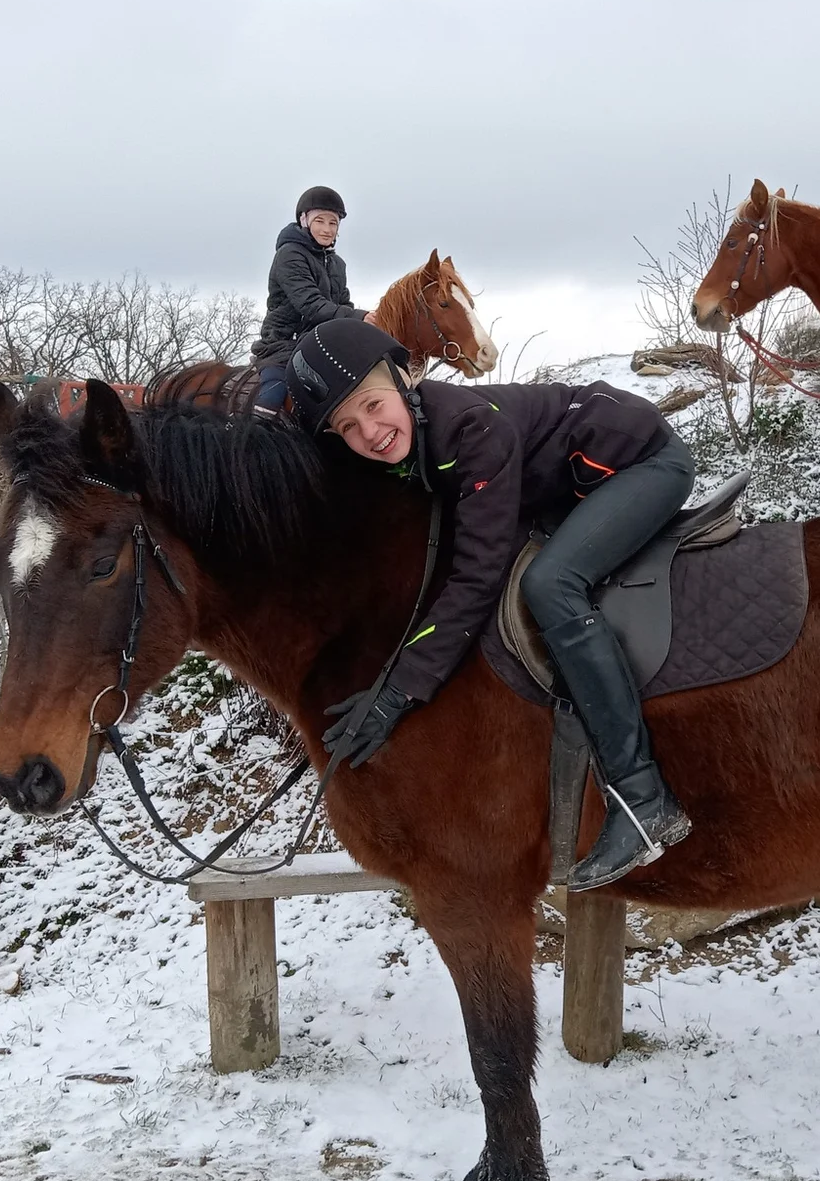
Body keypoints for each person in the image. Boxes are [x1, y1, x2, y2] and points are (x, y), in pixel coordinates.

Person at [285, 317, 696, 891]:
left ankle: (640, 798)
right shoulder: (409, 437)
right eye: (348, 426)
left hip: (641, 463)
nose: (370, 432)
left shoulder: (470, 430)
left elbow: (476, 577)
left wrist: (396, 694)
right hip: (564, 483)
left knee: (550, 584)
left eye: (374, 406)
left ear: (405, 378)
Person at [251, 186, 364, 411]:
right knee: (273, 396)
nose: (326, 229)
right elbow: (311, 305)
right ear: (304, 220)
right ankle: (256, 428)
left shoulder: (337, 264)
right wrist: (362, 316)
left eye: (333, 223)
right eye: (320, 221)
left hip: (322, 343)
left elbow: (343, 305)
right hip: (285, 343)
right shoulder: (289, 255)